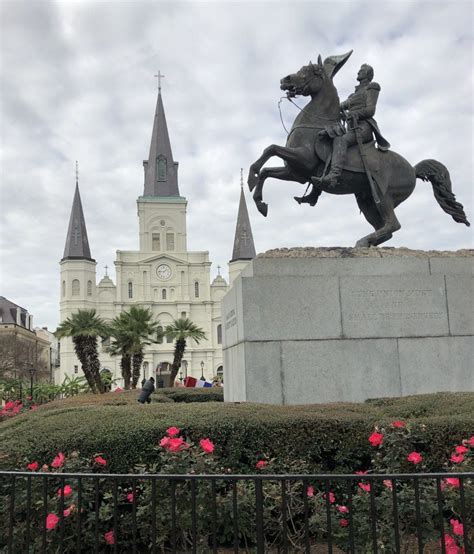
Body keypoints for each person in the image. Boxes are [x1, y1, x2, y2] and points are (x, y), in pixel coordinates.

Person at [301, 64, 390, 200]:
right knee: (328, 140)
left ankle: (334, 176)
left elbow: (371, 110)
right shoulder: (353, 94)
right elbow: (339, 107)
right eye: (359, 69)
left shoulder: (372, 87)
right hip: (351, 128)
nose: (359, 71)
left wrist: (353, 114)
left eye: (362, 70)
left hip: (363, 128)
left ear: (368, 74)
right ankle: (315, 193)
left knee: (340, 140)